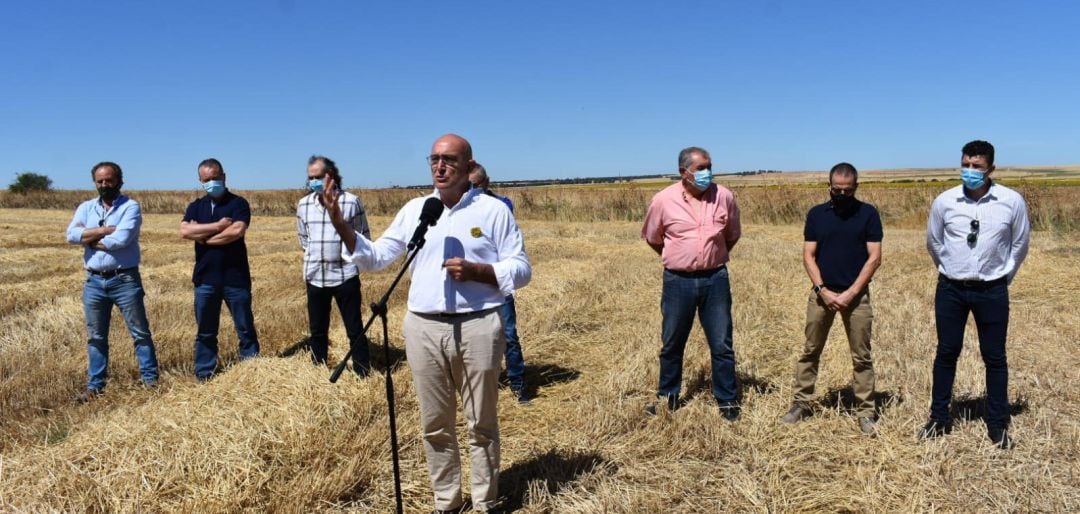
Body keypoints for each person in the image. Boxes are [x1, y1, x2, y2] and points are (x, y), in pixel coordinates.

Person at [326, 134, 530, 513]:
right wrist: (342, 225)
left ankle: (486, 501)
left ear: (469, 167)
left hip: (478, 326)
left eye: (449, 159)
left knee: (480, 424)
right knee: (434, 424)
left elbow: (521, 269)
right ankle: (446, 502)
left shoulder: (492, 211)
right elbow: (375, 258)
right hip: (423, 327)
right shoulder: (417, 209)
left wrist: (481, 271)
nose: (440, 166)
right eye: (434, 159)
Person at [922, 140, 1030, 449]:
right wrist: (950, 269)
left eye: (977, 167)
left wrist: (1002, 278)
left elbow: (1019, 245)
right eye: (966, 165)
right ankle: (938, 418)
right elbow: (934, 242)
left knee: (994, 357)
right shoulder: (945, 201)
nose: (970, 171)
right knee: (946, 352)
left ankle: (997, 424)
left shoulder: (1011, 201)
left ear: (991, 169)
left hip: (992, 290)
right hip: (951, 289)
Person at [780, 163, 883, 436]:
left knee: (861, 356)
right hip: (821, 296)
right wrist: (822, 290)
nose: (841, 194)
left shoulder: (868, 215)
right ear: (829, 187)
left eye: (847, 190)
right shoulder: (817, 215)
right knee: (810, 350)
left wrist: (850, 293)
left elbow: (874, 258)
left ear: (856, 188)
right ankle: (801, 403)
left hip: (857, 297)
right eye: (836, 189)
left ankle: (865, 412)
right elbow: (808, 256)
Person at [641, 146, 742, 421]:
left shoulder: (724, 196)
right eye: (701, 168)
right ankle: (668, 397)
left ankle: (727, 400)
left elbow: (732, 234)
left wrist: (712, 255)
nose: (707, 173)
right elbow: (653, 238)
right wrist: (679, 257)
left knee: (722, 344)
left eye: (709, 166)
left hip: (715, 279)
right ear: (683, 172)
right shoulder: (663, 200)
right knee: (672, 343)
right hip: (678, 282)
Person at [65, 161, 160, 400]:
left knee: (140, 333)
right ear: (95, 183)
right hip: (94, 282)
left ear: (119, 180)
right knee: (96, 337)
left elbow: (121, 240)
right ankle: (95, 386)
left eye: (109, 180)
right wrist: (104, 231)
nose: (104, 185)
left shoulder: (131, 207)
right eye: (100, 181)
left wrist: (88, 238)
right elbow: (70, 235)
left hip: (125, 280)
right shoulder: (86, 207)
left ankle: (150, 382)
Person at [179, 158, 260, 381]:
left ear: (224, 176)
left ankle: (251, 371)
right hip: (205, 279)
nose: (212, 182)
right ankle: (205, 373)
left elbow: (236, 232)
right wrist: (217, 227)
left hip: (236, 278)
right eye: (207, 180)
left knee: (245, 328)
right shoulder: (196, 206)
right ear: (200, 181)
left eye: (215, 178)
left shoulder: (238, 204)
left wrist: (203, 237)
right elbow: (185, 231)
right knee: (205, 331)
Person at [296, 155, 372, 376]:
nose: (314, 182)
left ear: (331, 176)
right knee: (317, 330)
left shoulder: (351, 201)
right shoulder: (304, 205)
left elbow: (362, 237)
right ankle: (318, 369)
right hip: (315, 276)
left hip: (345, 276)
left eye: (318, 177)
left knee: (354, 328)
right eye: (311, 178)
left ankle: (362, 371)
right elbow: (303, 239)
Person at [469, 164, 528, 404]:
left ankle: (518, 385)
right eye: (469, 185)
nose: (473, 190)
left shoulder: (501, 205)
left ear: (486, 183)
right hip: (472, 286)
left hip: (498, 283)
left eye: (476, 185)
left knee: (509, 334)